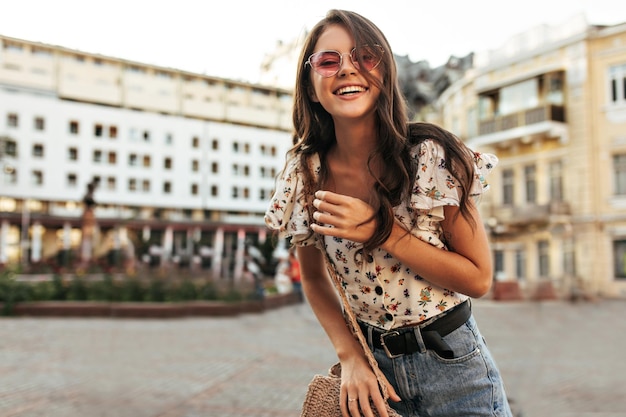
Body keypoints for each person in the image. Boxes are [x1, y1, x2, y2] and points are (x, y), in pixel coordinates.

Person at [265, 9, 513, 417]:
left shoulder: (430, 157)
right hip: (372, 378)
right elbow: (311, 277)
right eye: (329, 61)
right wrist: (350, 359)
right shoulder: (304, 175)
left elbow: (478, 278)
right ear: (311, 87)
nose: (347, 69)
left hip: (455, 369)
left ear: (384, 74)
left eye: (365, 57)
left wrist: (381, 232)